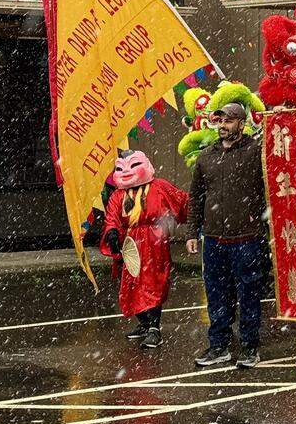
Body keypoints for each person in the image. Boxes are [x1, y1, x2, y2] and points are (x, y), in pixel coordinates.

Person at [186, 102, 269, 369]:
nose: (222, 126)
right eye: (219, 121)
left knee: (249, 294)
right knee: (216, 294)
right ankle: (219, 345)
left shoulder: (256, 152)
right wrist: (191, 232)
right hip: (213, 239)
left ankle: (249, 347)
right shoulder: (206, 156)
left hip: (248, 237)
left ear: (241, 124)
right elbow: (196, 197)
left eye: (228, 121)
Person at [100, 150, 188, 349]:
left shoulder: (160, 187)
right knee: (130, 286)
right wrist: (112, 233)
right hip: (129, 244)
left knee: (152, 284)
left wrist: (195, 221)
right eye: (121, 168)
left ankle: (154, 328)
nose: (127, 172)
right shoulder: (118, 195)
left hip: (153, 243)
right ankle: (144, 323)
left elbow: (183, 203)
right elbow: (112, 218)